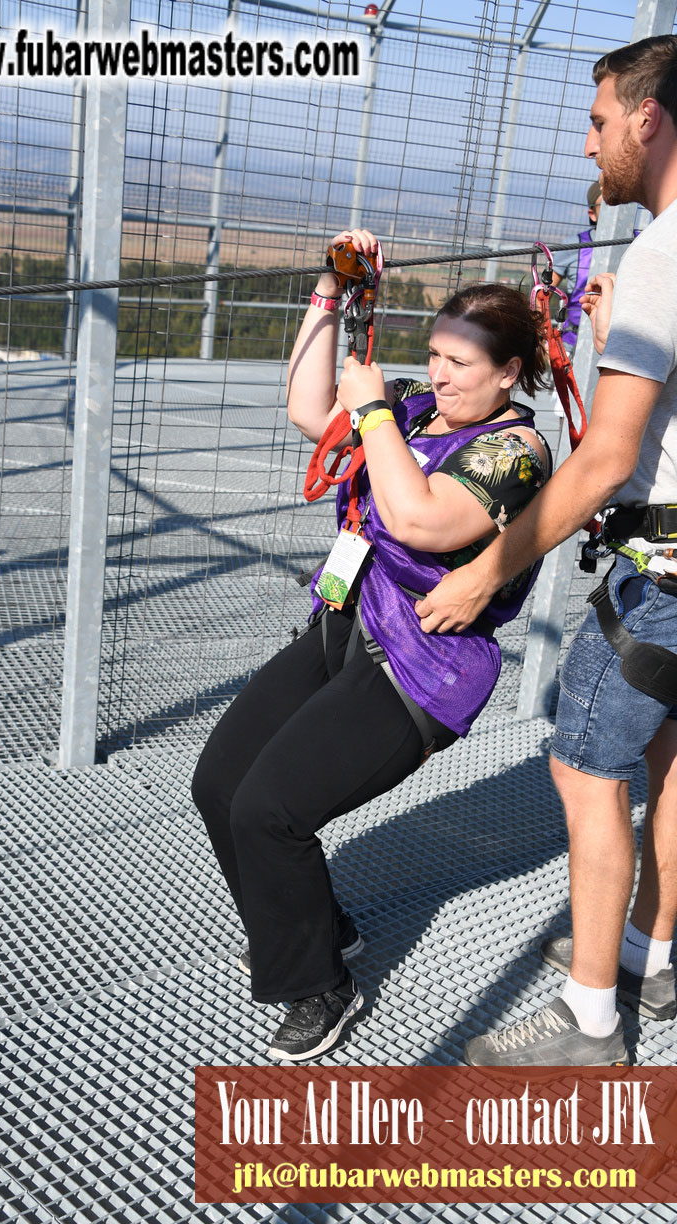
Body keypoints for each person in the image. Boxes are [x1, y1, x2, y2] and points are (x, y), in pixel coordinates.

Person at [191, 227, 551, 1062]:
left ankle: (318, 981)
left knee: (271, 810)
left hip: (420, 663)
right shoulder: (418, 409)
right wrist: (331, 292)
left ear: (508, 373)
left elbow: (425, 521)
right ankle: (318, 929)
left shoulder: (517, 450)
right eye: (435, 354)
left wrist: (377, 410)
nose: (441, 374)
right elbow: (310, 410)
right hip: (345, 620)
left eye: (463, 362)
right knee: (220, 784)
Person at [415, 34, 677, 1067]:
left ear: (649, 120)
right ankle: (652, 956)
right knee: (668, 756)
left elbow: (607, 457)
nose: (589, 145)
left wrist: (487, 567)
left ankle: (588, 1021)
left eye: (601, 120)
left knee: (584, 769)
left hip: (661, 575)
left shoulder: (660, 255)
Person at [552, 180, 603, 348]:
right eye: (605, 206)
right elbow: (542, 294)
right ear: (592, 213)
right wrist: (543, 334)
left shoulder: (636, 242)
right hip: (574, 341)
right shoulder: (575, 245)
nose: (612, 212)